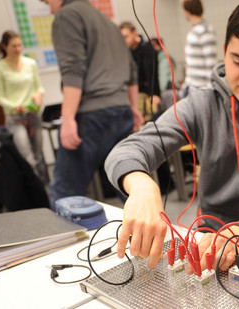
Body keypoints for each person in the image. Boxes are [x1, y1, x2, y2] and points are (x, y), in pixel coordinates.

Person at [105, 0, 239, 271]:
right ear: (224, 51)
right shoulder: (202, 104)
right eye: (238, 61)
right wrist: (142, 186)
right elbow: (129, 149)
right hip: (206, 239)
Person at [42, 0, 144, 209]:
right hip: (121, 113)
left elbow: (73, 70)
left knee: (64, 195)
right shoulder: (107, 22)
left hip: (91, 117)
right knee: (131, 191)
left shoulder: (66, 16)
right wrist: (133, 107)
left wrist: (68, 118)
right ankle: (151, 241)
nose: (46, 5)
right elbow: (132, 70)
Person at [0, 30, 46, 183]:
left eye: (19, 45)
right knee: (27, 156)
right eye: (13, 46)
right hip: (15, 118)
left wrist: (38, 95)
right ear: (4, 46)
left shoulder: (30, 63)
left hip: (32, 114)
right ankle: (35, 190)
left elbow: (39, 88)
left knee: (38, 155)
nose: (17, 49)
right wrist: (15, 106)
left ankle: (45, 191)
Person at [120, 22, 161, 122]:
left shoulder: (147, 49)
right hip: (133, 94)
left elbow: (152, 74)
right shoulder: (126, 52)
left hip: (146, 93)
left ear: (134, 32)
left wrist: (154, 94)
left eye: (126, 37)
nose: (125, 41)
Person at [181, 0, 217, 93]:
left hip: (202, 89)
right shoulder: (194, 30)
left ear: (187, 11)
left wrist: (210, 89)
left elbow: (210, 62)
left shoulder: (205, 30)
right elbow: (191, 63)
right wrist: (186, 83)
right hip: (191, 86)